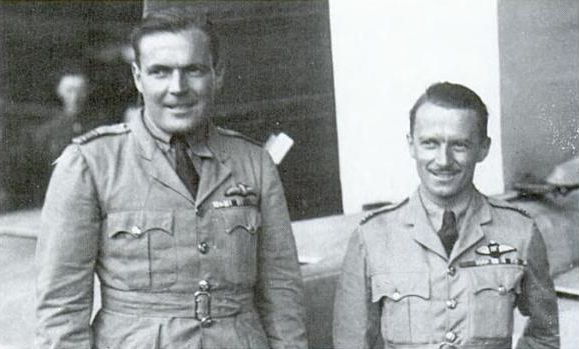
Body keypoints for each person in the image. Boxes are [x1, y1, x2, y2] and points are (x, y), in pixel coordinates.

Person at [35, 8, 307, 349]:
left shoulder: (253, 162)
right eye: (160, 72)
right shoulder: (91, 164)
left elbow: (282, 293)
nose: (177, 88)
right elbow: (62, 309)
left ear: (217, 74)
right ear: (138, 77)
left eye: (193, 70)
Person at [333, 82, 559, 349]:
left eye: (460, 145)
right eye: (430, 143)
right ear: (411, 145)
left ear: (483, 148)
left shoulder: (519, 232)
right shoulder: (371, 237)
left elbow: (545, 335)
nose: (443, 160)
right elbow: (350, 344)